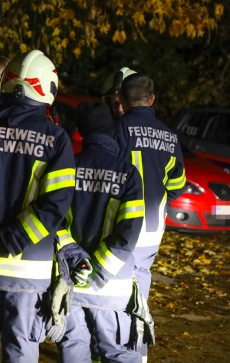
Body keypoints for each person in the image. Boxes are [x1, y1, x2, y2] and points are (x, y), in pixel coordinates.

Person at [0, 50, 86, 362]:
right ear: (46, 89)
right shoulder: (56, 139)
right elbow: (56, 203)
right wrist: (12, 242)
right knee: (22, 349)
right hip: (29, 269)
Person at [54, 101, 145, 362]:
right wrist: (99, 271)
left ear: (81, 132)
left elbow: (53, 221)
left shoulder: (67, 167)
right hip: (112, 287)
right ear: (112, 131)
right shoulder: (128, 174)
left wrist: (78, 262)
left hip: (72, 281)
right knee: (118, 353)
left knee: (74, 347)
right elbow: (128, 232)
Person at [115, 72, 186, 361]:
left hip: (122, 225)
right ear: (152, 99)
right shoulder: (170, 136)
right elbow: (178, 186)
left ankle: (116, 350)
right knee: (140, 287)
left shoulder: (117, 129)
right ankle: (138, 352)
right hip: (152, 230)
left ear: (121, 99)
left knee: (116, 291)